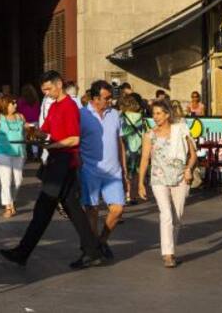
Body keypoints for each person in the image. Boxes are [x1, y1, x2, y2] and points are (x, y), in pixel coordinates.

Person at [0, 71, 102, 270]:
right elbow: (45, 130)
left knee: (43, 210)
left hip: (63, 160)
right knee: (72, 209)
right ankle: (93, 250)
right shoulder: (54, 106)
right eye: (43, 90)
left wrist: (51, 147)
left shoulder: (69, 106)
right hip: (59, 161)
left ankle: (22, 252)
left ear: (59, 84)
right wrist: (32, 132)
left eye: (48, 89)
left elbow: (74, 138)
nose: (46, 93)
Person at [139, 99, 197, 267]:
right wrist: (141, 183)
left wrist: (189, 169)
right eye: (153, 114)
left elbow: (192, 155)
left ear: (167, 114)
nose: (155, 117)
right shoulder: (149, 135)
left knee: (177, 217)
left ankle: (171, 248)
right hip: (158, 178)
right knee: (166, 214)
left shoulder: (180, 131)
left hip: (180, 178)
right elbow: (144, 159)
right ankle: (168, 254)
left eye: (158, 113)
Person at [79, 80, 126, 259]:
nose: (110, 101)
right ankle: (93, 248)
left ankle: (101, 240)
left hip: (113, 172)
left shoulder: (115, 114)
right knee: (92, 210)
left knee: (118, 209)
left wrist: (125, 171)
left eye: (110, 98)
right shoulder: (82, 115)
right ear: (95, 98)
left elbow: (120, 143)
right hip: (90, 169)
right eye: (106, 98)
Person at [0, 94, 25, 217]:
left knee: (18, 180)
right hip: (2, 152)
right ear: (5, 105)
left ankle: (11, 201)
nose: (15, 105)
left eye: (15, 103)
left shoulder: (20, 117)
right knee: (6, 180)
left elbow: (25, 131)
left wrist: (29, 129)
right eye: (13, 103)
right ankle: (8, 206)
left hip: (19, 151)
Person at [119, 94, 148, 204]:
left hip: (125, 146)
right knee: (136, 171)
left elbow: (119, 133)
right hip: (139, 148)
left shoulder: (122, 117)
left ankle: (127, 194)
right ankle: (134, 195)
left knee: (126, 170)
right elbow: (144, 132)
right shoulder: (141, 117)